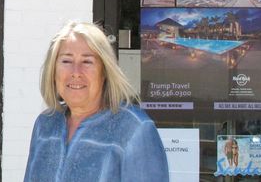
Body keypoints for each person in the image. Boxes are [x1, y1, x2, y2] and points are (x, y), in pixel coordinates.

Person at [24, 21, 169, 182]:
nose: (76, 72)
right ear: (53, 70)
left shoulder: (134, 128)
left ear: (105, 71)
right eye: (66, 61)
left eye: (87, 62)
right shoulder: (45, 125)